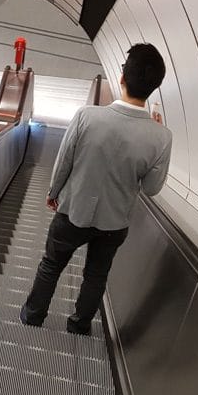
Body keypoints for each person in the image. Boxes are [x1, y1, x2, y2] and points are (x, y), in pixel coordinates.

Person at [20, 43, 172, 335]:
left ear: (122, 78)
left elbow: (64, 160)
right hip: (114, 222)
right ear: (154, 88)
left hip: (73, 210)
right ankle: (78, 326)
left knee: (51, 265)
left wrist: (54, 192)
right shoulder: (161, 137)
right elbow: (152, 188)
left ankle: (33, 317)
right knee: (96, 276)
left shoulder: (86, 116)